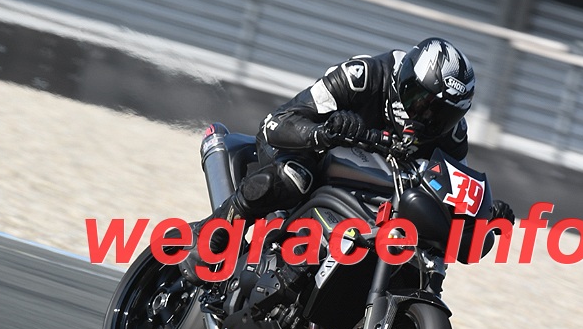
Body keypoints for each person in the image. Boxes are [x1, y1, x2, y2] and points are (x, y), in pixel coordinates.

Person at [180, 37, 515, 285]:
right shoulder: (364, 76)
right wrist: (323, 132)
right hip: (306, 153)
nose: (426, 116)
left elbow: (451, 186)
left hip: (371, 191)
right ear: (406, 79)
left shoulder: (451, 135)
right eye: (421, 101)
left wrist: (483, 213)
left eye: (441, 114)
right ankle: (213, 235)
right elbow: (278, 121)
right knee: (296, 176)